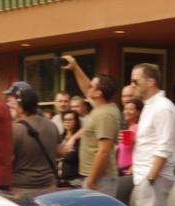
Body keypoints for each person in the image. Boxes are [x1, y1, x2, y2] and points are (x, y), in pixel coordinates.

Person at [130, 62, 175, 206]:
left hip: (152, 177)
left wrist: (151, 177)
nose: (132, 85)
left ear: (150, 82)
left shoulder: (163, 107)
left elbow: (164, 146)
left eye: (136, 81)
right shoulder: (150, 106)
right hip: (145, 175)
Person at [63, 55, 121, 197]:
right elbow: (85, 87)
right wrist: (75, 68)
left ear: (99, 92)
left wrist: (92, 180)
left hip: (101, 180)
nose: (88, 87)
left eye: (92, 86)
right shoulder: (101, 108)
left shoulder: (105, 114)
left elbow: (103, 151)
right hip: (95, 177)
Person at [11, 89, 60, 192]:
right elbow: (58, 152)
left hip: (22, 188)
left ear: (20, 108)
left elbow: (7, 159)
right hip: (49, 186)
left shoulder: (16, 129)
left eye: (14, 105)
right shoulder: (52, 125)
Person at [118, 98, 142, 176]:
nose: (126, 112)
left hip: (129, 170)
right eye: (125, 109)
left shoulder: (138, 127)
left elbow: (141, 149)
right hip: (121, 169)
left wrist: (133, 166)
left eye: (130, 109)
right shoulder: (127, 129)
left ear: (138, 112)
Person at [59, 111, 81, 182]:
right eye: (65, 120)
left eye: (70, 119)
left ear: (76, 121)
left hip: (74, 178)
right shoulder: (60, 137)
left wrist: (60, 153)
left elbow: (72, 156)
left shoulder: (79, 139)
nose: (67, 122)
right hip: (59, 178)